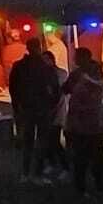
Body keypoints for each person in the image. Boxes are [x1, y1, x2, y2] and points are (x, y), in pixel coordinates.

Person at [8, 37, 58, 184]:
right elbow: (55, 88)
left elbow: (13, 88)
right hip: (42, 108)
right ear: (40, 47)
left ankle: (25, 172)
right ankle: (38, 173)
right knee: (41, 142)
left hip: (26, 108)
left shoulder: (19, 66)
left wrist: (16, 106)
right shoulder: (45, 66)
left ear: (27, 48)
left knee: (28, 141)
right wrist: (52, 105)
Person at [62, 47, 103, 196]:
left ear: (82, 58)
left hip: (83, 121)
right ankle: (99, 186)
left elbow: (65, 89)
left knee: (83, 157)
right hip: (92, 120)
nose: (74, 60)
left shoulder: (81, 74)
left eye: (76, 57)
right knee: (96, 156)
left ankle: (83, 187)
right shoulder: (96, 71)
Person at [41, 50, 71, 178]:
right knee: (47, 139)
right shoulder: (42, 74)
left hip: (57, 111)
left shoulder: (61, 73)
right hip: (46, 111)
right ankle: (52, 163)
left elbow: (60, 92)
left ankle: (65, 166)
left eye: (47, 60)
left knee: (54, 139)